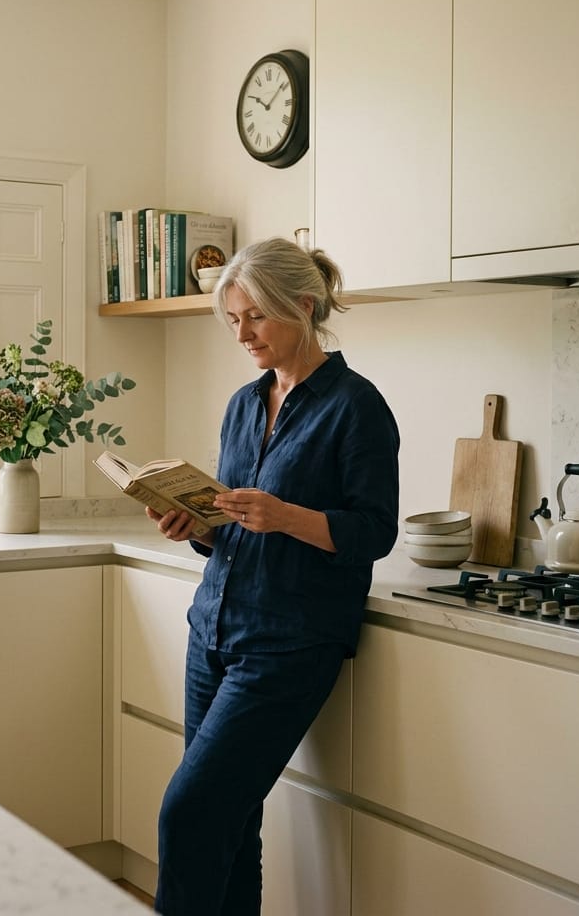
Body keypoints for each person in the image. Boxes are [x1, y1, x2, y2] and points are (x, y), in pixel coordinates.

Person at [146, 237, 400, 915]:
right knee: (232, 824)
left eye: (254, 317)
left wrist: (287, 516)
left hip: (290, 643)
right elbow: (235, 526)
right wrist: (197, 527)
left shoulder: (356, 406)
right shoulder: (241, 404)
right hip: (213, 635)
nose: (242, 335)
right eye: (233, 320)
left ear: (304, 306)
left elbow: (375, 532)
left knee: (188, 814)